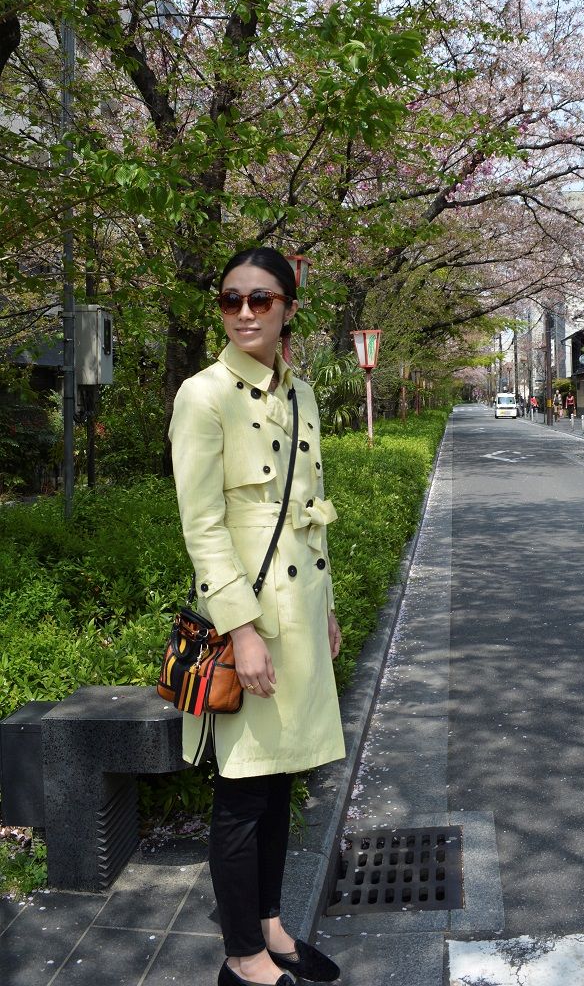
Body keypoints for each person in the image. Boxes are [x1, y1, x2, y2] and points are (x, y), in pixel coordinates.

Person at [169, 247, 344, 986]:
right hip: (248, 621)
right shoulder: (203, 395)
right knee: (242, 790)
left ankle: (271, 925)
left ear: (288, 308)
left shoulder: (300, 393)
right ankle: (241, 958)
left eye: (261, 300)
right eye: (231, 298)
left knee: (283, 779)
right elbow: (202, 525)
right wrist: (240, 630)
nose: (244, 312)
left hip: (302, 617)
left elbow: (312, 511)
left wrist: (329, 607)